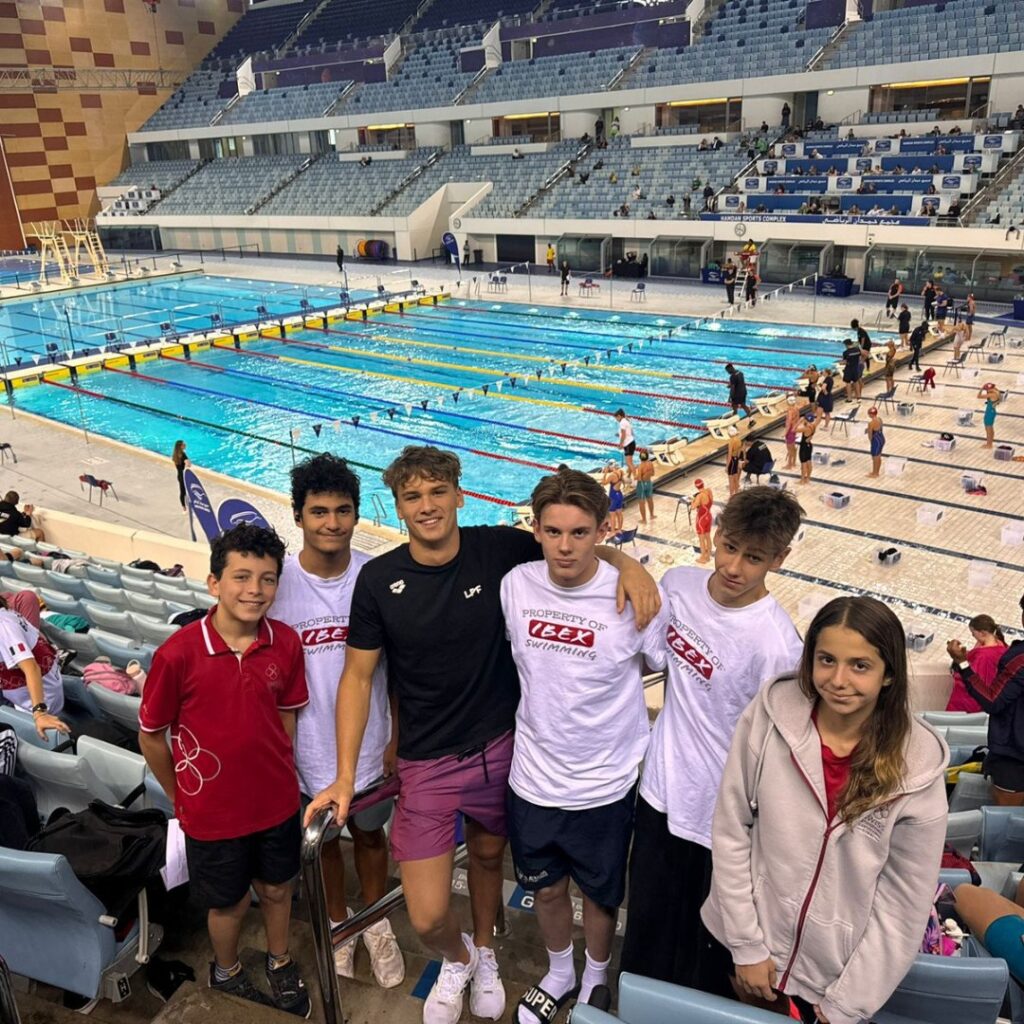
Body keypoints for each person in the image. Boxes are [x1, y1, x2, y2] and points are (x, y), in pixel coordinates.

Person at [303, 447, 658, 1024]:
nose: (427, 505)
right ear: (397, 507)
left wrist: (628, 564)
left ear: (459, 496)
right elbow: (357, 677)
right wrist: (345, 776)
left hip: (500, 747)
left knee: (490, 858)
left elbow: (572, 538)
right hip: (425, 760)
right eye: (413, 496)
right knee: (426, 913)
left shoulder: (499, 550)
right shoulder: (379, 578)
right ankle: (460, 955)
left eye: (437, 492)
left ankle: (488, 951)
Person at [701, 596, 948, 1021]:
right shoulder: (769, 718)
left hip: (832, 982)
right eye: (826, 660)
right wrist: (746, 945)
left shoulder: (917, 769)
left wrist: (847, 1003)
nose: (838, 680)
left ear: (889, 674)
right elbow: (731, 829)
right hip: (742, 947)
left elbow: (902, 905)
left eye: (860, 666)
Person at [621, 487, 804, 990]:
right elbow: (650, 656)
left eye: (754, 558)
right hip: (659, 794)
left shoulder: (777, 646)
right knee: (645, 933)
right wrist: (623, 560)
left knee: (701, 956)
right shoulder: (678, 585)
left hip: (722, 819)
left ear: (779, 559)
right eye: (730, 547)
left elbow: (778, 752)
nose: (734, 567)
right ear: (716, 535)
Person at [501, 470, 667, 1024]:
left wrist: (629, 565)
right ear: (536, 530)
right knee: (547, 891)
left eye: (579, 532)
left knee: (600, 895)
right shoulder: (516, 585)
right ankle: (559, 972)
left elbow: (665, 667)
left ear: (603, 529)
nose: (565, 546)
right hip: (533, 778)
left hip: (605, 782)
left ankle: (596, 975)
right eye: (553, 532)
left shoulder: (636, 597)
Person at [138, 525, 311, 1016]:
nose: (255, 589)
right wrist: (182, 796)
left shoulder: (286, 644)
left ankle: (279, 960)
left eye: (267, 579)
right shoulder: (177, 654)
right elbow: (151, 736)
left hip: (276, 803)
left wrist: (280, 771)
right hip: (213, 815)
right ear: (214, 582)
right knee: (228, 902)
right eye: (242, 576)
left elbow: (286, 716)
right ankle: (227, 970)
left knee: (277, 889)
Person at [271, 454, 403, 987]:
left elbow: (400, 670)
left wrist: (396, 738)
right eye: (319, 511)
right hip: (306, 751)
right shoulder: (277, 585)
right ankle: (338, 923)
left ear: (355, 514)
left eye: (342, 510)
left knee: (371, 838)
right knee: (323, 844)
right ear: (298, 515)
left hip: (371, 746)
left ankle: (375, 921)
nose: (332, 523)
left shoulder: (378, 577)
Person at [947, 592, 1024, 805]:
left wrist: (962, 663)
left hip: (1014, 760)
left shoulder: (1019, 660)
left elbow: (993, 701)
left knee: (1007, 818)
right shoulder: (1006, 650)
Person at [0, 597, 67, 737]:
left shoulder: (3, 626)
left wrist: (40, 713)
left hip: (35, 703)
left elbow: (31, 668)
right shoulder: (6, 614)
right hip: (16, 694)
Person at [946, 614, 1008, 713]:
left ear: (982, 633)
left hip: (970, 702)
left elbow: (971, 679)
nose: (972, 636)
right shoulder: (999, 643)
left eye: (973, 633)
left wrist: (958, 658)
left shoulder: (983, 656)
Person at [691, 479, 714, 564]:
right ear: (703, 484)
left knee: (701, 539)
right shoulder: (709, 491)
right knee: (708, 537)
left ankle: (703, 557)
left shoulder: (699, 496)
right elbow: (710, 502)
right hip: (708, 516)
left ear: (696, 487)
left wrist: (692, 500)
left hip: (701, 519)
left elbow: (693, 507)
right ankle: (708, 556)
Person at [796, 408, 819, 484]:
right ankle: (808, 478)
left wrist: (799, 421)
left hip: (804, 447)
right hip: (809, 446)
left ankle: (802, 480)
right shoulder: (813, 425)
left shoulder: (805, 428)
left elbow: (794, 429)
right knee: (809, 462)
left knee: (803, 464)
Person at [601, 462, 625, 533]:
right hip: (619, 494)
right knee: (619, 513)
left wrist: (605, 473)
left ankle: (613, 531)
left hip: (613, 496)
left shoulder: (612, 475)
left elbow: (604, 483)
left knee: (612, 515)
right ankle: (619, 529)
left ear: (612, 467)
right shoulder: (621, 472)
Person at [634, 449, 656, 524]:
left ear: (640, 458)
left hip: (642, 485)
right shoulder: (650, 463)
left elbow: (640, 478)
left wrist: (635, 477)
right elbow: (653, 473)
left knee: (641, 503)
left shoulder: (640, 466)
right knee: (650, 500)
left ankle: (644, 519)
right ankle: (652, 515)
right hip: (649, 483)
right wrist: (647, 473)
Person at [613, 408, 636, 478]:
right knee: (630, 462)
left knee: (629, 463)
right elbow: (630, 432)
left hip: (628, 444)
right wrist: (619, 434)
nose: (616, 420)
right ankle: (629, 476)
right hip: (631, 443)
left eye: (616, 418)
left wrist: (621, 444)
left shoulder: (622, 423)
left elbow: (623, 434)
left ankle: (636, 478)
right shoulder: (626, 421)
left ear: (619, 416)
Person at [978, 382, 1000, 448]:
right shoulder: (997, 392)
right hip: (992, 411)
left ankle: (989, 445)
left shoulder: (992, 394)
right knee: (991, 428)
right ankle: (990, 443)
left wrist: (981, 389)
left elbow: (979, 396)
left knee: (988, 429)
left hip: (989, 413)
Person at [866, 407, 885, 477]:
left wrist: (871, 442)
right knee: (878, 456)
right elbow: (877, 428)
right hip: (881, 438)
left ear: (871, 414)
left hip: (876, 441)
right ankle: (877, 472)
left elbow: (870, 435)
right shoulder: (879, 419)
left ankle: (875, 473)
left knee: (875, 457)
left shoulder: (871, 423)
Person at [172, 440, 189, 514]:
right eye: (183, 444)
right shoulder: (183, 454)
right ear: (180, 446)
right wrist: (188, 463)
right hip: (184, 475)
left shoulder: (175, 455)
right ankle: (187, 506)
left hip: (179, 475)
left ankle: (184, 508)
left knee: (182, 492)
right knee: (187, 491)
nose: (185, 445)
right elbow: (188, 464)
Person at [783, 395, 800, 470]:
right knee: (793, 447)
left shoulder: (790, 411)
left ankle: (789, 465)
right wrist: (795, 428)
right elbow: (798, 420)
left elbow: (789, 423)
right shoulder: (796, 409)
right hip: (794, 430)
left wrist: (785, 433)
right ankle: (794, 462)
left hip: (790, 430)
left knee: (789, 449)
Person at [726, 426, 743, 497]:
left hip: (732, 460)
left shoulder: (731, 441)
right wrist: (737, 460)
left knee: (731, 480)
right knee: (736, 478)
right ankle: (737, 493)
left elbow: (729, 455)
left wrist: (727, 466)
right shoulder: (739, 440)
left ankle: (731, 496)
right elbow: (739, 452)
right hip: (736, 459)